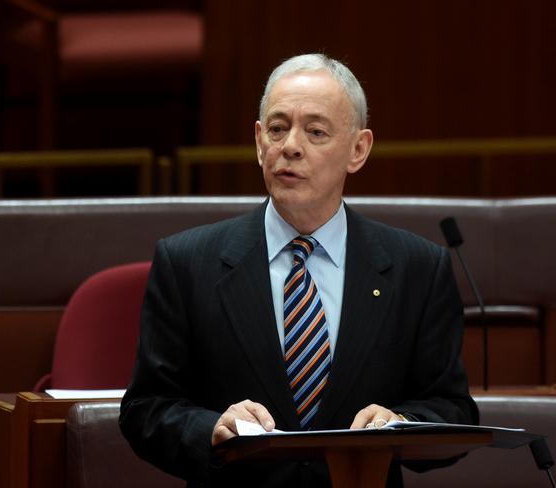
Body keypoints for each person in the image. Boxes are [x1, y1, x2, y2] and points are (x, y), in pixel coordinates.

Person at [119, 53, 478, 487]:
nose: (290, 145)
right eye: (277, 128)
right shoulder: (187, 262)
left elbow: (453, 410)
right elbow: (146, 410)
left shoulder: (417, 268)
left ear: (358, 150)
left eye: (316, 131)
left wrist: (401, 424)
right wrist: (209, 429)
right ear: (258, 142)